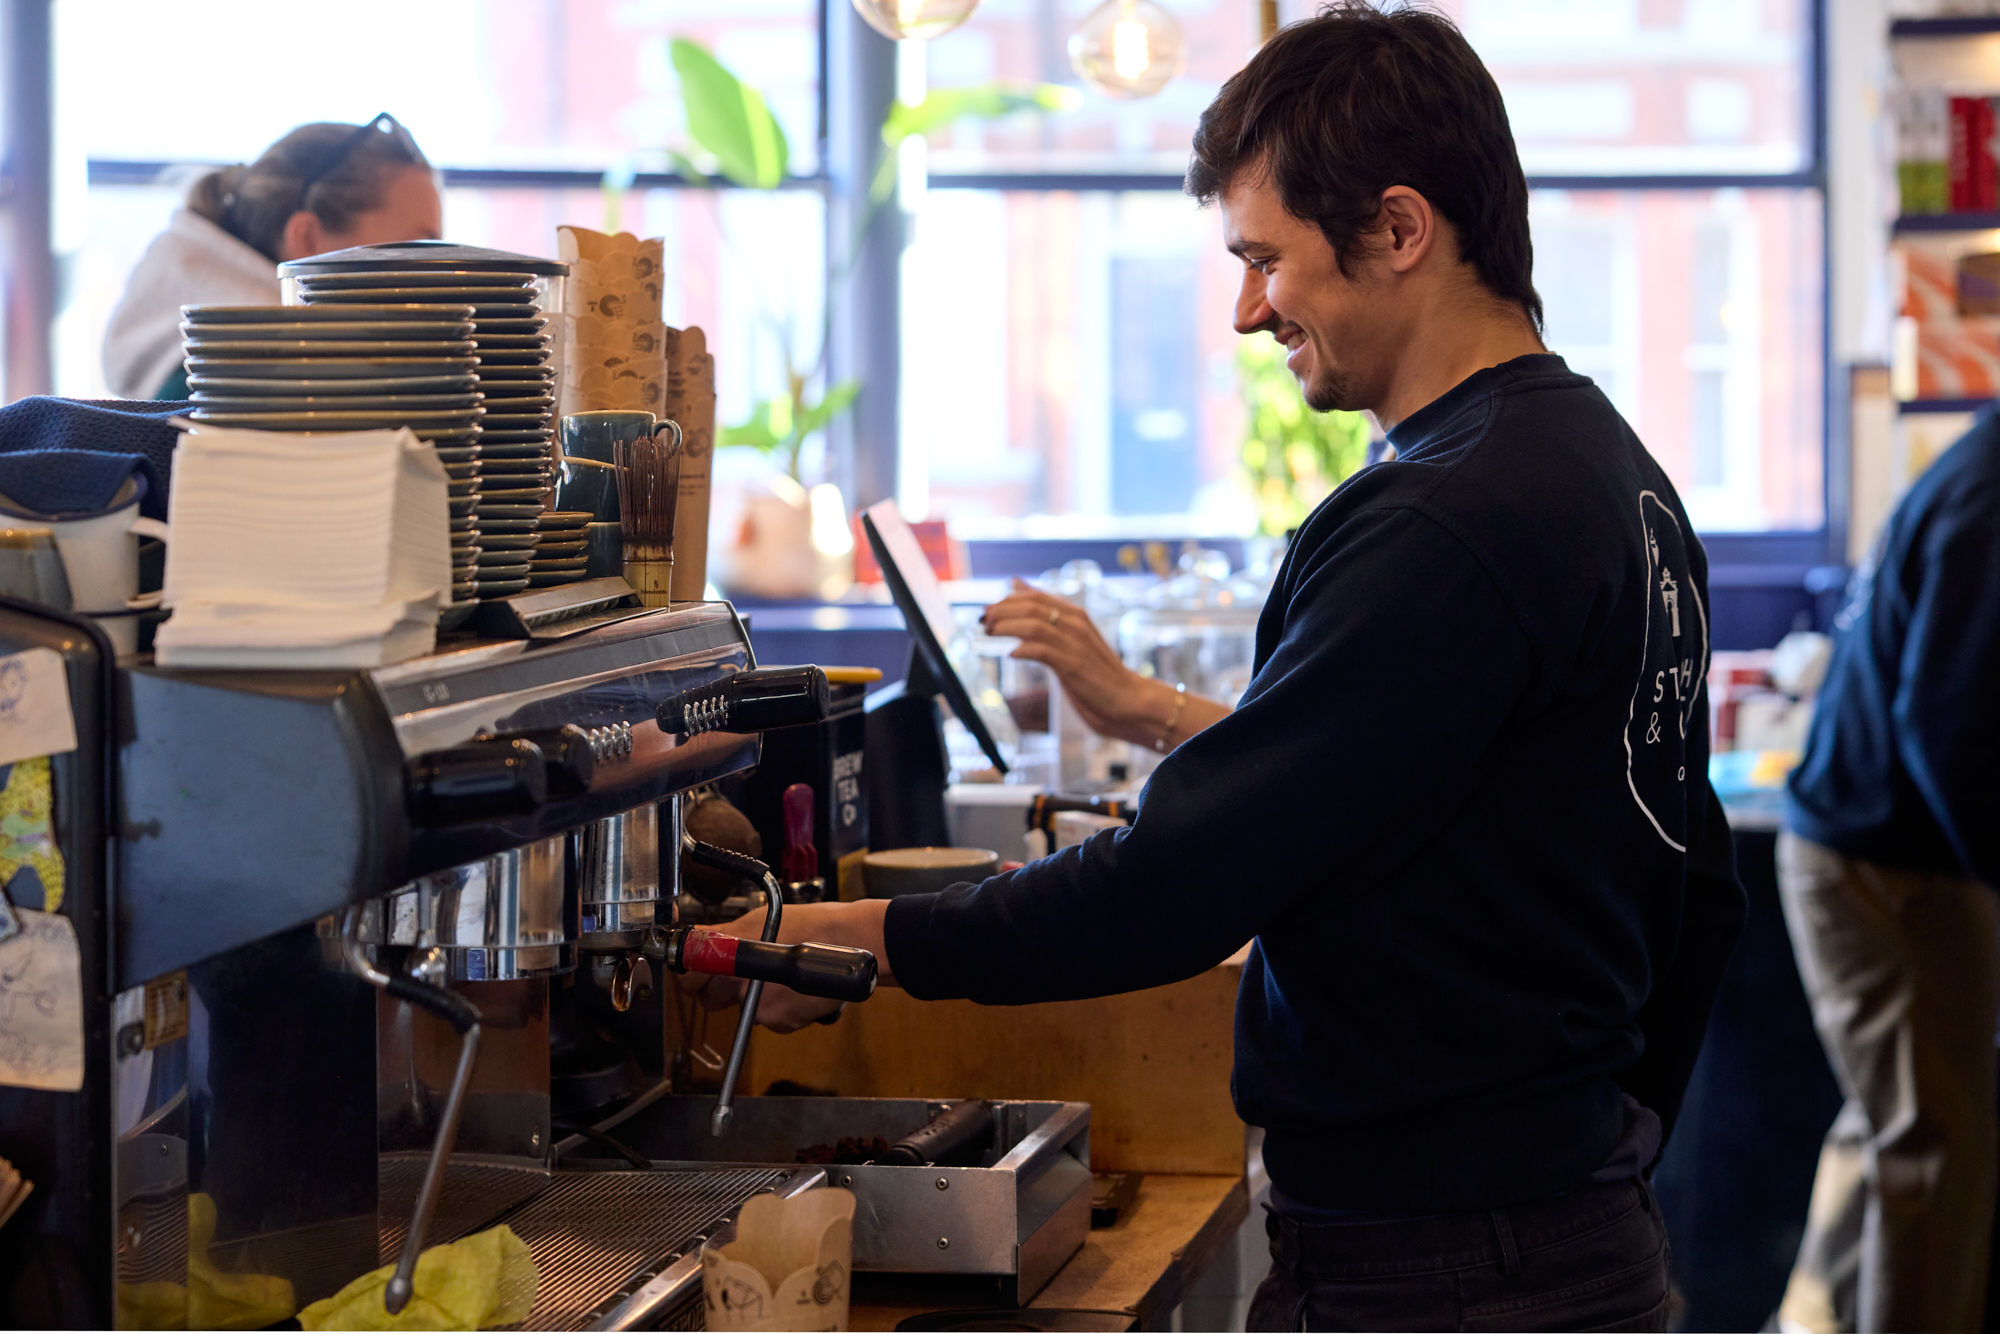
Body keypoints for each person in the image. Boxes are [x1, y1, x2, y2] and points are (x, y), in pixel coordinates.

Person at [707, 7, 1745, 1328]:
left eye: (1265, 259)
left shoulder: (1443, 517)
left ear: (1398, 229)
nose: (1249, 309)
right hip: (1564, 1226)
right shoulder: (1608, 472)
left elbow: (1183, 879)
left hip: (1440, 1267)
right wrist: (1591, 1140)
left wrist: (857, 938)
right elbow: (1685, 877)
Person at [1773, 411, 2000, 1334]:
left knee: (1891, 1126)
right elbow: (1949, 724)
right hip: (1888, 867)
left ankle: (1811, 1322)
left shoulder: (1979, 465)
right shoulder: (1991, 495)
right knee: (1934, 1156)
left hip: (1870, 848)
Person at [103, 113, 441, 401]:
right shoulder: (241, 380)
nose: (436, 273)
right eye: (414, 247)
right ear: (308, 239)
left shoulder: (210, 360)